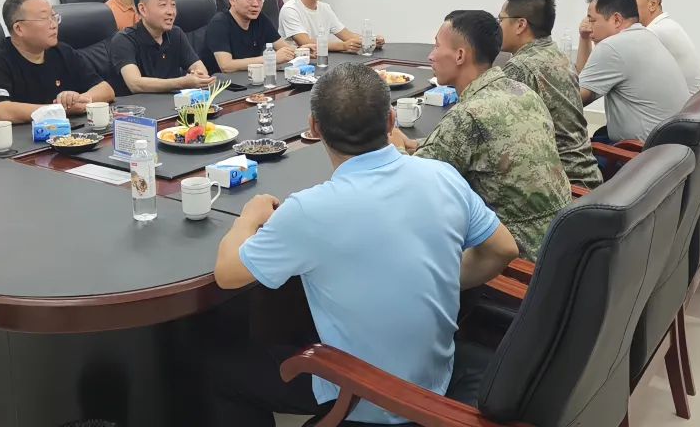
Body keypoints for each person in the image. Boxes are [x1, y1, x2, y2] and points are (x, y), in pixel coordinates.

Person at [209, 63, 519, 426]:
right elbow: (504, 248)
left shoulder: (309, 210)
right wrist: (445, 277)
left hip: (366, 396)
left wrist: (248, 218)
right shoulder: (441, 175)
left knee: (221, 371)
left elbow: (227, 275)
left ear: (314, 128)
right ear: (391, 121)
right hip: (435, 378)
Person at [391, 10, 571, 259]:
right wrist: (416, 144)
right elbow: (475, 147)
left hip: (517, 252)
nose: (431, 55)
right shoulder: (522, 91)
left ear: (460, 55)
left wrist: (397, 147)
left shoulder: (468, 115)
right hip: (560, 239)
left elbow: (412, 185)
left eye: (437, 46)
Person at [497, 0, 602, 190]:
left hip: (561, 184)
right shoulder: (556, 53)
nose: (498, 26)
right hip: (586, 174)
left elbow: (498, 133)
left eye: (501, 20)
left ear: (520, 25)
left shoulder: (521, 67)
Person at [0, 0, 115, 126]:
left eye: (54, 17)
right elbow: (1, 112)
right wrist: (59, 110)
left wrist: (80, 99)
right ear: (19, 29)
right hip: (16, 138)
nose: (54, 25)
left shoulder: (62, 51)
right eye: (44, 19)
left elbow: (106, 90)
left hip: (62, 133)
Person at [577, 0, 689, 144]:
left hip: (641, 152)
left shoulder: (612, 47)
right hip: (670, 146)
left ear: (616, 19)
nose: (588, 26)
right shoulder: (646, 36)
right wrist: (585, 38)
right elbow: (585, 83)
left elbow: (574, 100)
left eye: (592, 20)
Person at [109, 0, 213, 93]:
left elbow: (199, 67)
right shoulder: (124, 40)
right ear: (143, 9)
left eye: (173, 5)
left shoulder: (176, 33)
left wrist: (198, 75)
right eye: (163, 5)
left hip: (173, 100)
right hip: (139, 103)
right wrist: (182, 83)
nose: (171, 12)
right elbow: (135, 84)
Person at [200, 0, 296, 73]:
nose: (256, 4)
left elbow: (284, 48)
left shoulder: (260, 19)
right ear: (232, 0)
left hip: (251, 78)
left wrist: (300, 51)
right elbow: (226, 66)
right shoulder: (219, 23)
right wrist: (271, 58)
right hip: (222, 81)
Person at [624, 0, 700, 93]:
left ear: (653, 3)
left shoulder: (656, 31)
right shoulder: (666, 25)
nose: (623, 10)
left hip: (685, 103)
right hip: (689, 100)